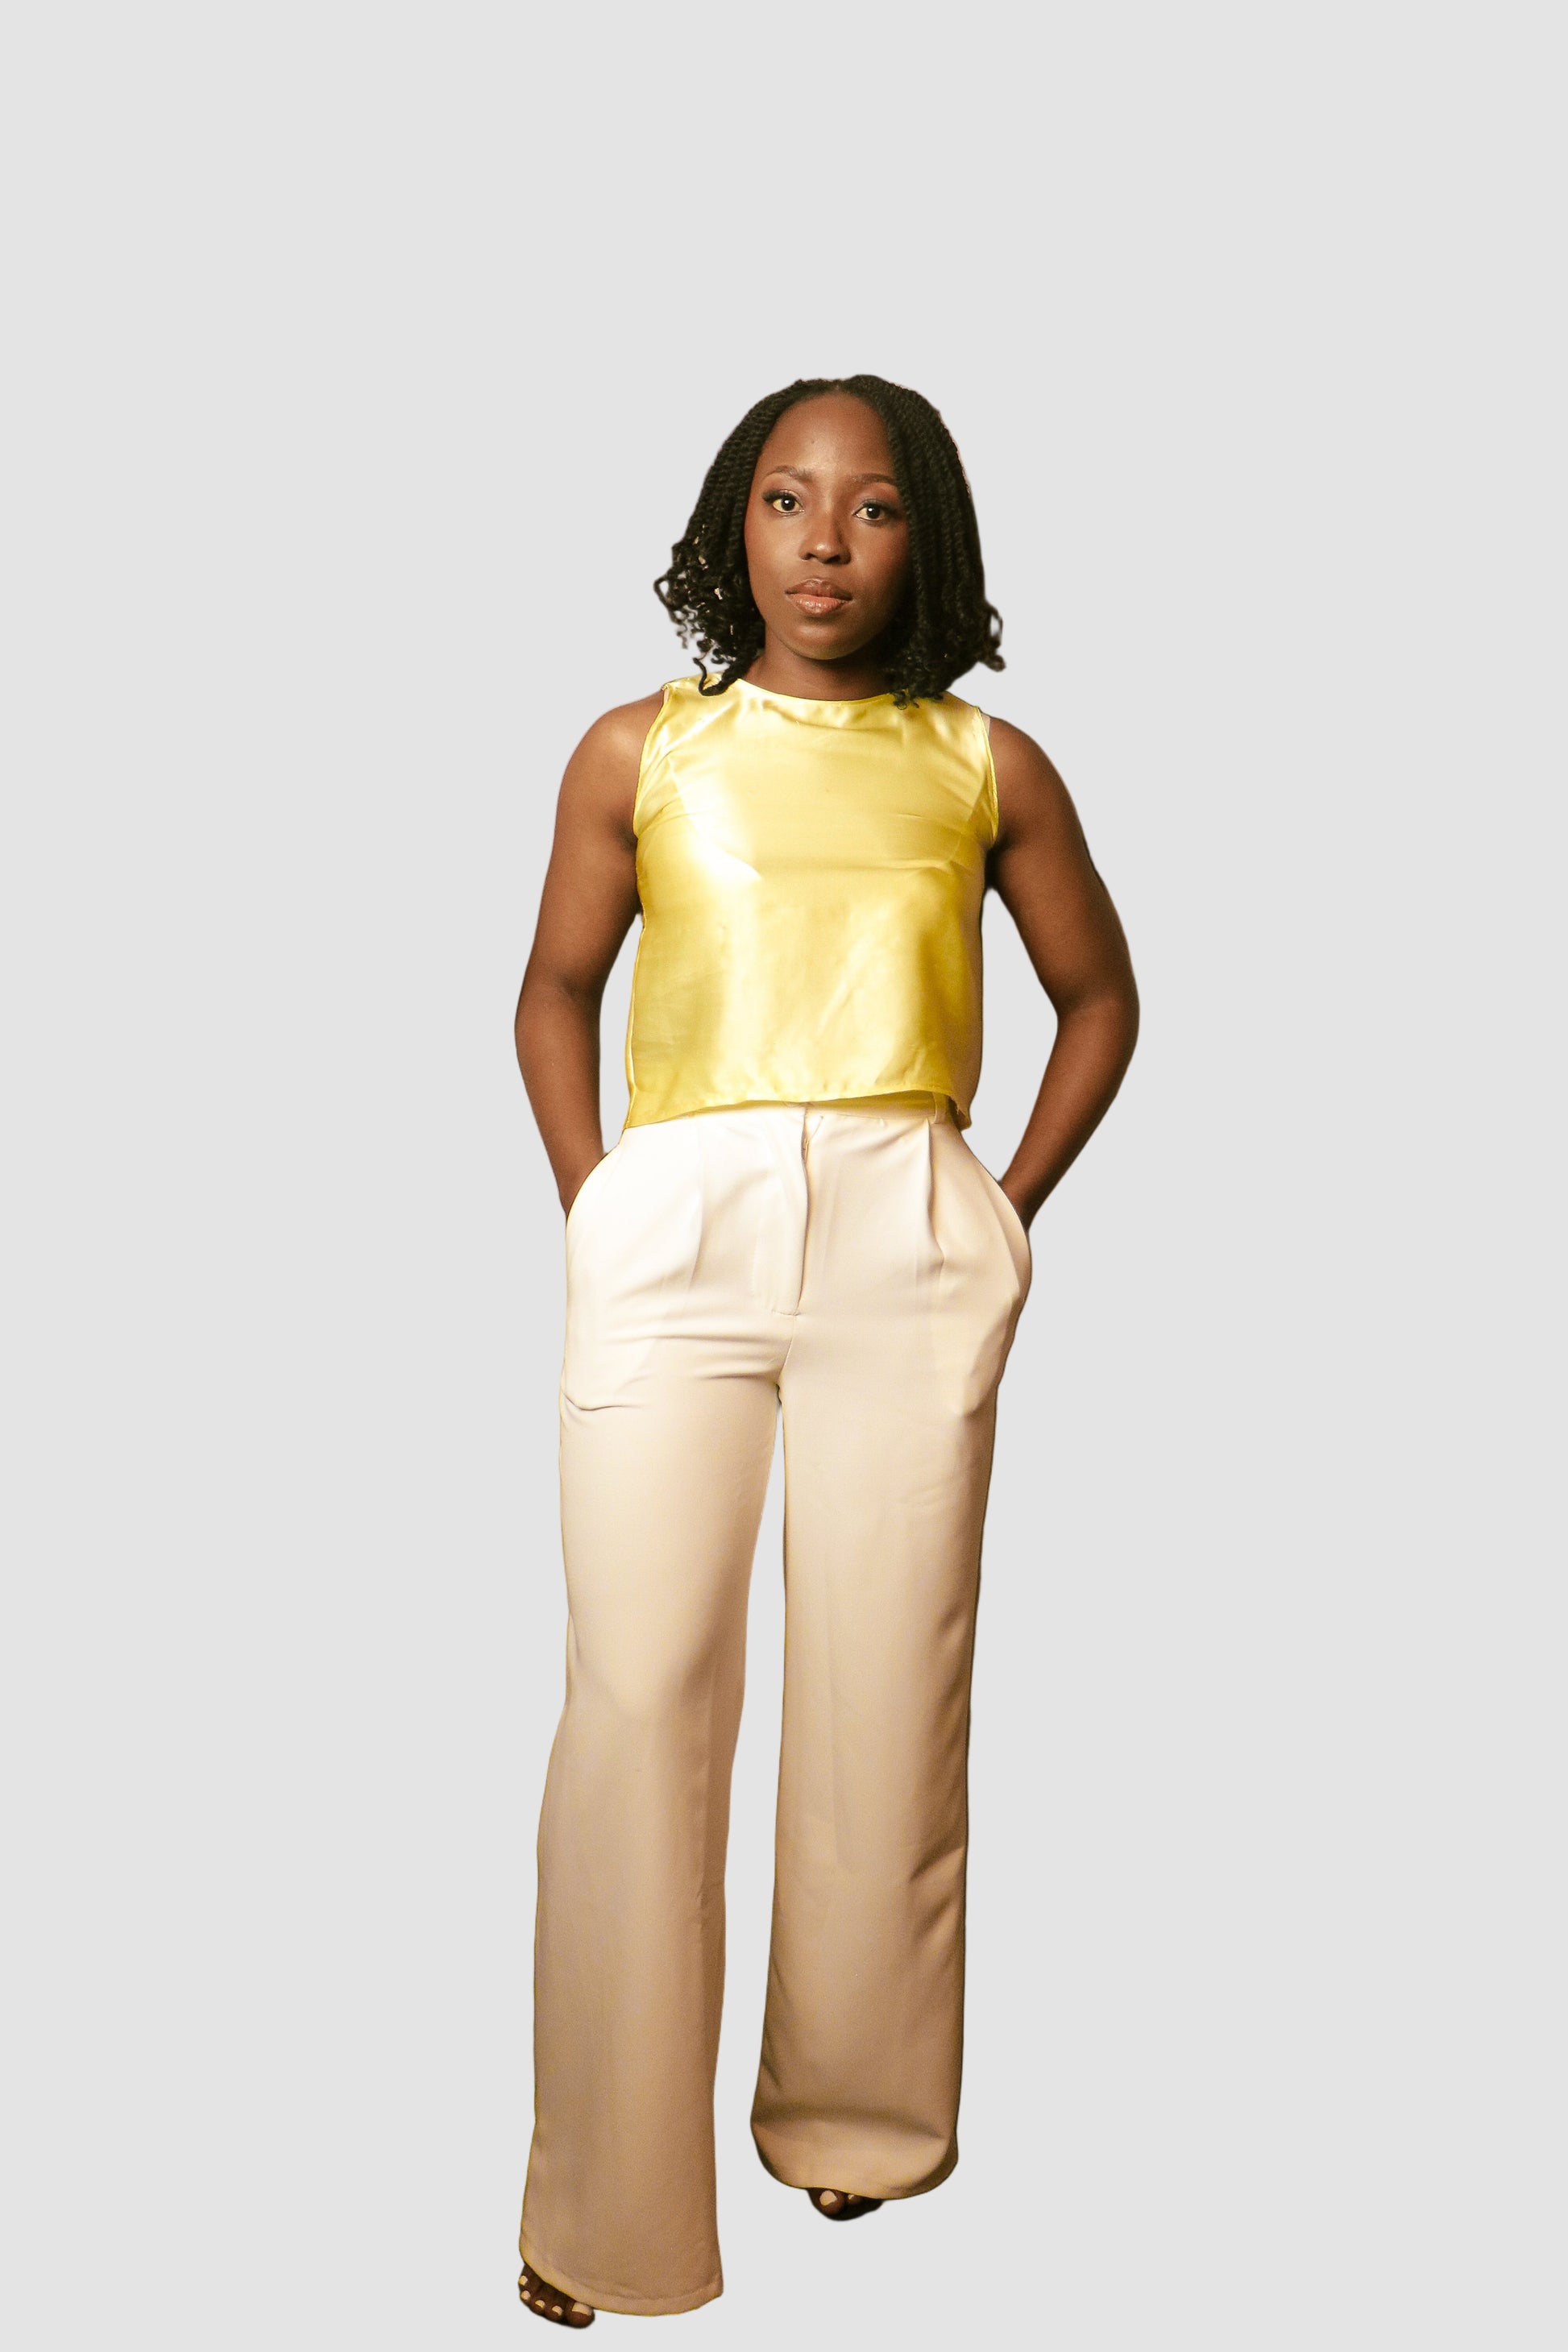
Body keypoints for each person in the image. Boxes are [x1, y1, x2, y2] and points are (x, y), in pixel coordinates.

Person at [511, 375, 1139, 2326]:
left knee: (886, 1687)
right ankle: (603, 2210)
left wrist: (998, 1209)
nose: (823, 543)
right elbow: (551, 987)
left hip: (903, 1221)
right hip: (675, 1221)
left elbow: (1099, 996)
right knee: (638, 1699)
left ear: (920, 535)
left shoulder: (983, 762)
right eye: (786, 500)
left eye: (869, 507)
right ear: (736, 525)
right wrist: (601, 1199)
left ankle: (851, 2125)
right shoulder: (642, 748)